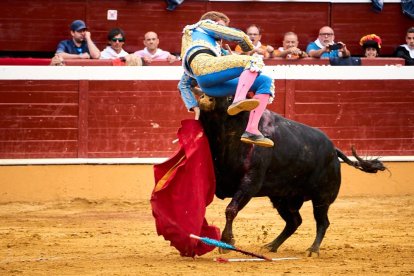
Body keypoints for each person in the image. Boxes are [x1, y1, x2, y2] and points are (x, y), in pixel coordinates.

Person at [178, 11, 275, 147]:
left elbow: (182, 85)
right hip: (206, 68)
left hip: (212, 85)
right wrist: (248, 47)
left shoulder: (212, 48)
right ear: (213, 23)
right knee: (254, 61)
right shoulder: (202, 25)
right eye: (221, 26)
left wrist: (194, 107)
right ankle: (238, 100)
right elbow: (237, 36)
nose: (222, 31)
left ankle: (251, 130)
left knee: (265, 81)